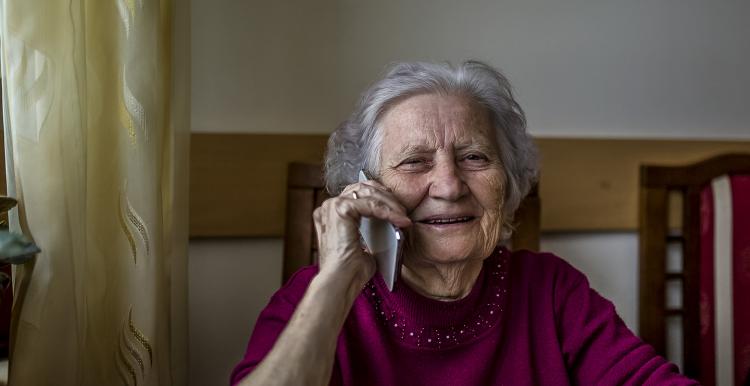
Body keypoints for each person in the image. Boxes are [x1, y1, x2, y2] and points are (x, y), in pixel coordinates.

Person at [230, 61, 697, 385]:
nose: (449, 185)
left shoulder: (552, 291)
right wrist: (336, 285)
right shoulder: (316, 298)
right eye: (414, 162)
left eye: (474, 156)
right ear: (367, 189)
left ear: (508, 182)